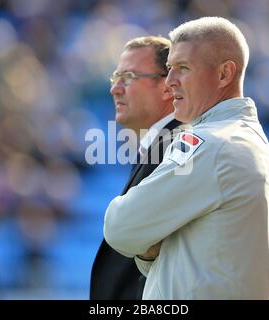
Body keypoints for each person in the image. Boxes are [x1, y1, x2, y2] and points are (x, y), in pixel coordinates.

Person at [104, 17, 269, 299]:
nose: (170, 82)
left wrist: (149, 242)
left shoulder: (208, 143)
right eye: (168, 69)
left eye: (183, 68)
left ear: (225, 74)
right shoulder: (255, 145)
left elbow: (119, 228)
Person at [90, 36, 182, 299]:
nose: (115, 89)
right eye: (115, 78)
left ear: (167, 87)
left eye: (128, 77)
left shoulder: (179, 147)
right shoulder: (161, 145)